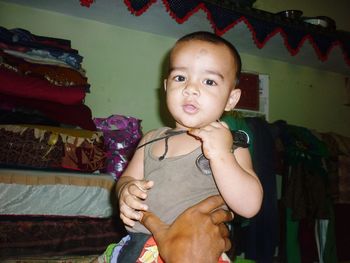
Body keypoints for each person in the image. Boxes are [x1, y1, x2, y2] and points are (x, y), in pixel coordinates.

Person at [100, 31, 263, 262]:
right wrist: (125, 191)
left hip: (197, 251)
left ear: (231, 99)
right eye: (180, 78)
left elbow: (249, 206)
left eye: (209, 81)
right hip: (137, 247)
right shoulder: (150, 139)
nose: (191, 88)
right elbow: (126, 179)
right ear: (166, 86)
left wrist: (221, 155)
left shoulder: (231, 144)